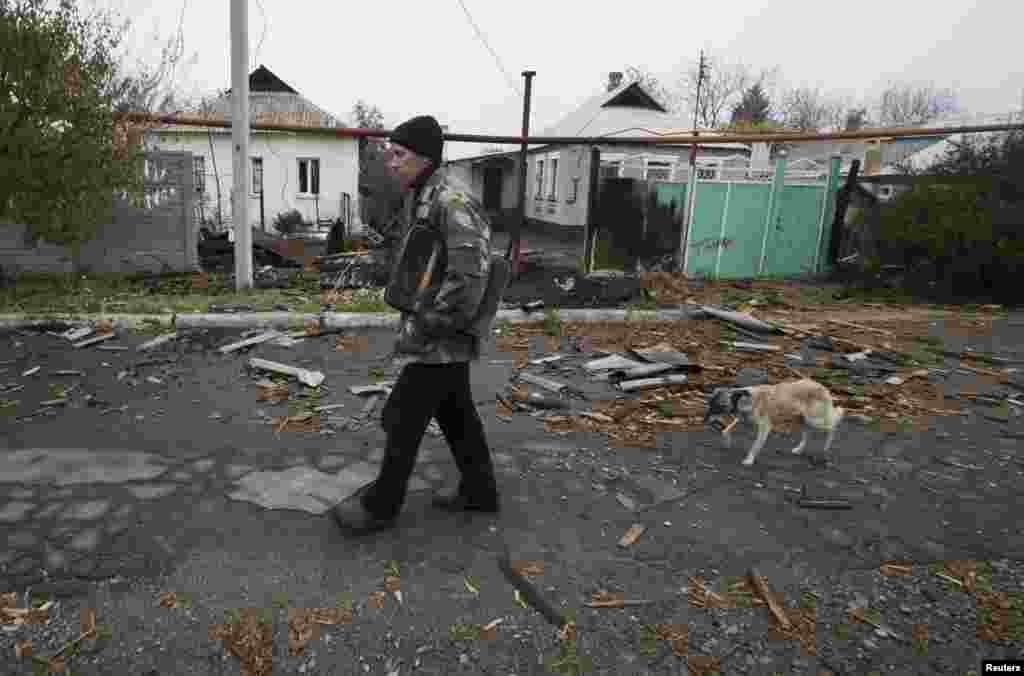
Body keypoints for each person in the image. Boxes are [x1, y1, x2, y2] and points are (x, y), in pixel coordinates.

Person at [331, 115, 501, 535]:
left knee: (404, 417)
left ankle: (381, 505)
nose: (390, 161)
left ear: (424, 157)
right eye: (390, 152)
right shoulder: (425, 196)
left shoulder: (452, 201)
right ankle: (480, 492)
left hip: (442, 332)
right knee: (456, 413)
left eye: (399, 154)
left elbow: (470, 279)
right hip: (438, 331)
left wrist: (428, 325)